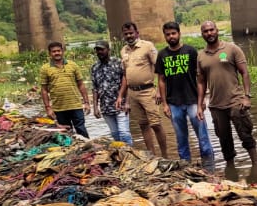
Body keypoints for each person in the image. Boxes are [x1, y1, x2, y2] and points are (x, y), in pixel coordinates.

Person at [197, 20, 257, 165]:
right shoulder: (200, 56)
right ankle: (230, 170)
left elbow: (245, 73)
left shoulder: (232, 49)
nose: (209, 33)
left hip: (236, 101)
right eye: (206, 31)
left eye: (211, 30)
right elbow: (200, 82)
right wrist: (200, 104)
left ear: (217, 30)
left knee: (245, 135)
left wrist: (247, 96)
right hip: (216, 106)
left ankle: (256, 166)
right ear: (202, 34)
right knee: (224, 140)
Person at [155, 21, 213, 163]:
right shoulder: (162, 55)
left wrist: (202, 101)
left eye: (173, 33)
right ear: (165, 36)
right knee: (181, 140)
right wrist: (164, 104)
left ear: (179, 34)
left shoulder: (191, 51)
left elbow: (200, 78)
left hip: (193, 101)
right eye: (168, 35)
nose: (171, 37)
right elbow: (161, 80)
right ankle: (186, 167)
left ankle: (210, 167)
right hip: (174, 103)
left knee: (203, 137)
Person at [118, 21, 168, 157]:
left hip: (148, 91)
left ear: (137, 33)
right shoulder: (124, 50)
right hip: (133, 93)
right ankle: (152, 156)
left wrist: (158, 90)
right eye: (126, 34)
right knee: (143, 125)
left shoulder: (147, 47)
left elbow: (160, 69)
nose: (129, 36)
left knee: (156, 124)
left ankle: (165, 156)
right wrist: (125, 99)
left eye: (131, 33)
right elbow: (126, 75)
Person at [40, 41, 90, 136]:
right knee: (66, 133)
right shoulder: (45, 68)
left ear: (62, 51)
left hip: (75, 105)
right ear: (50, 53)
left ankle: (88, 148)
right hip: (59, 108)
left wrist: (86, 102)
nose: (57, 53)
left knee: (81, 129)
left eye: (58, 50)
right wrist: (48, 108)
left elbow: (81, 84)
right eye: (54, 51)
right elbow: (44, 89)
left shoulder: (73, 65)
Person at [90, 43, 132, 144]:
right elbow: (95, 88)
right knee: (115, 134)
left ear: (108, 50)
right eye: (97, 50)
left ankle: (131, 154)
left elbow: (127, 82)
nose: (99, 52)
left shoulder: (118, 63)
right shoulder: (94, 67)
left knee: (124, 134)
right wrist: (95, 107)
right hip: (106, 107)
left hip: (120, 105)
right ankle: (122, 155)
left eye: (102, 49)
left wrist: (127, 101)